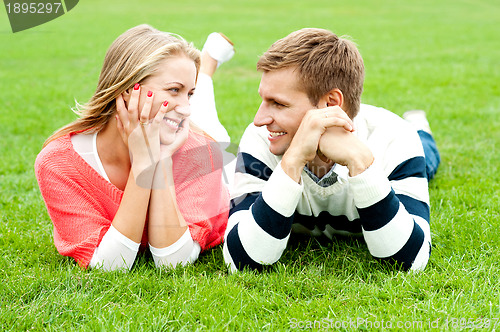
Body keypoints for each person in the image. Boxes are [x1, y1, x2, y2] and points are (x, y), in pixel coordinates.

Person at [223, 28, 440, 273]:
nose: (259, 119)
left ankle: (421, 127)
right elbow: (241, 261)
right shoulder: (260, 138)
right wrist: (293, 160)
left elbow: (409, 261)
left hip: (399, 139)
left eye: (279, 104)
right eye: (263, 100)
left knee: (428, 159)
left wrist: (360, 162)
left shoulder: (394, 137)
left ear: (331, 104)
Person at [35, 24, 235, 271]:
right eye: (174, 89)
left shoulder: (204, 153)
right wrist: (142, 163)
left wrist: (160, 158)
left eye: (188, 93)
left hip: (224, 172)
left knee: (209, 124)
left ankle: (206, 66)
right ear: (129, 89)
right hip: (174, 128)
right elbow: (108, 266)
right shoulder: (58, 162)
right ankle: (204, 67)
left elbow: (173, 262)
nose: (186, 107)